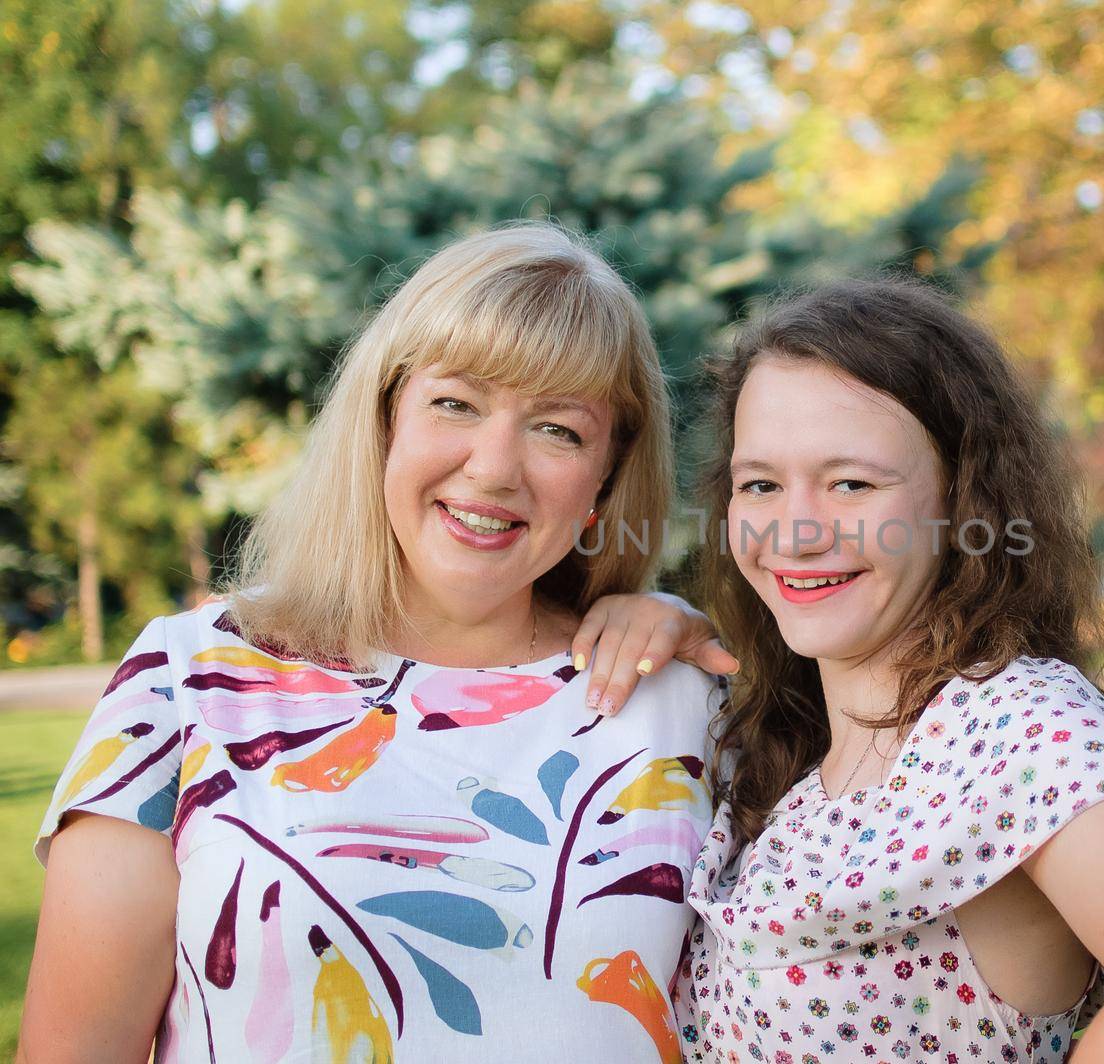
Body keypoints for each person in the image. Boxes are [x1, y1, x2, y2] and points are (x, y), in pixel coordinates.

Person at [21, 223, 737, 1064]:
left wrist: (705, 632)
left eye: (558, 430)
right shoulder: (191, 678)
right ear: (385, 416)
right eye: (456, 403)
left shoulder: (681, 702)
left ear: (604, 481)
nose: (495, 468)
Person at [674, 278, 1104, 1063]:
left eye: (852, 484)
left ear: (964, 505)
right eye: (759, 484)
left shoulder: (1011, 720)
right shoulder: (789, 745)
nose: (793, 533)